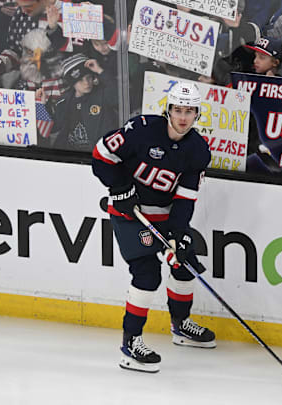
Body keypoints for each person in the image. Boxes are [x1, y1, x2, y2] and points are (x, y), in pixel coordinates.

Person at [91, 82, 215, 373]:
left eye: (190, 111)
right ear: (168, 110)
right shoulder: (142, 129)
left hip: (164, 216)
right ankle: (131, 342)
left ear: (197, 114)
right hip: (130, 215)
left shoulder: (197, 150)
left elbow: (185, 198)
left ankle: (180, 325)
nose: (183, 117)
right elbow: (101, 156)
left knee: (185, 264)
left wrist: (179, 233)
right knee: (147, 275)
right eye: (178, 109)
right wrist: (121, 188)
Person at [48, 53, 117, 151]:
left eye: (89, 77)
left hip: (97, 152)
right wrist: (43, 106)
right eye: (80, 80)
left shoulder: (102, 95)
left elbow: (118, 95)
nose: (86, 83)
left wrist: (99, 71)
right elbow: (54, 127)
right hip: (70, 153)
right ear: (72, 83)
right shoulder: (64, 101)